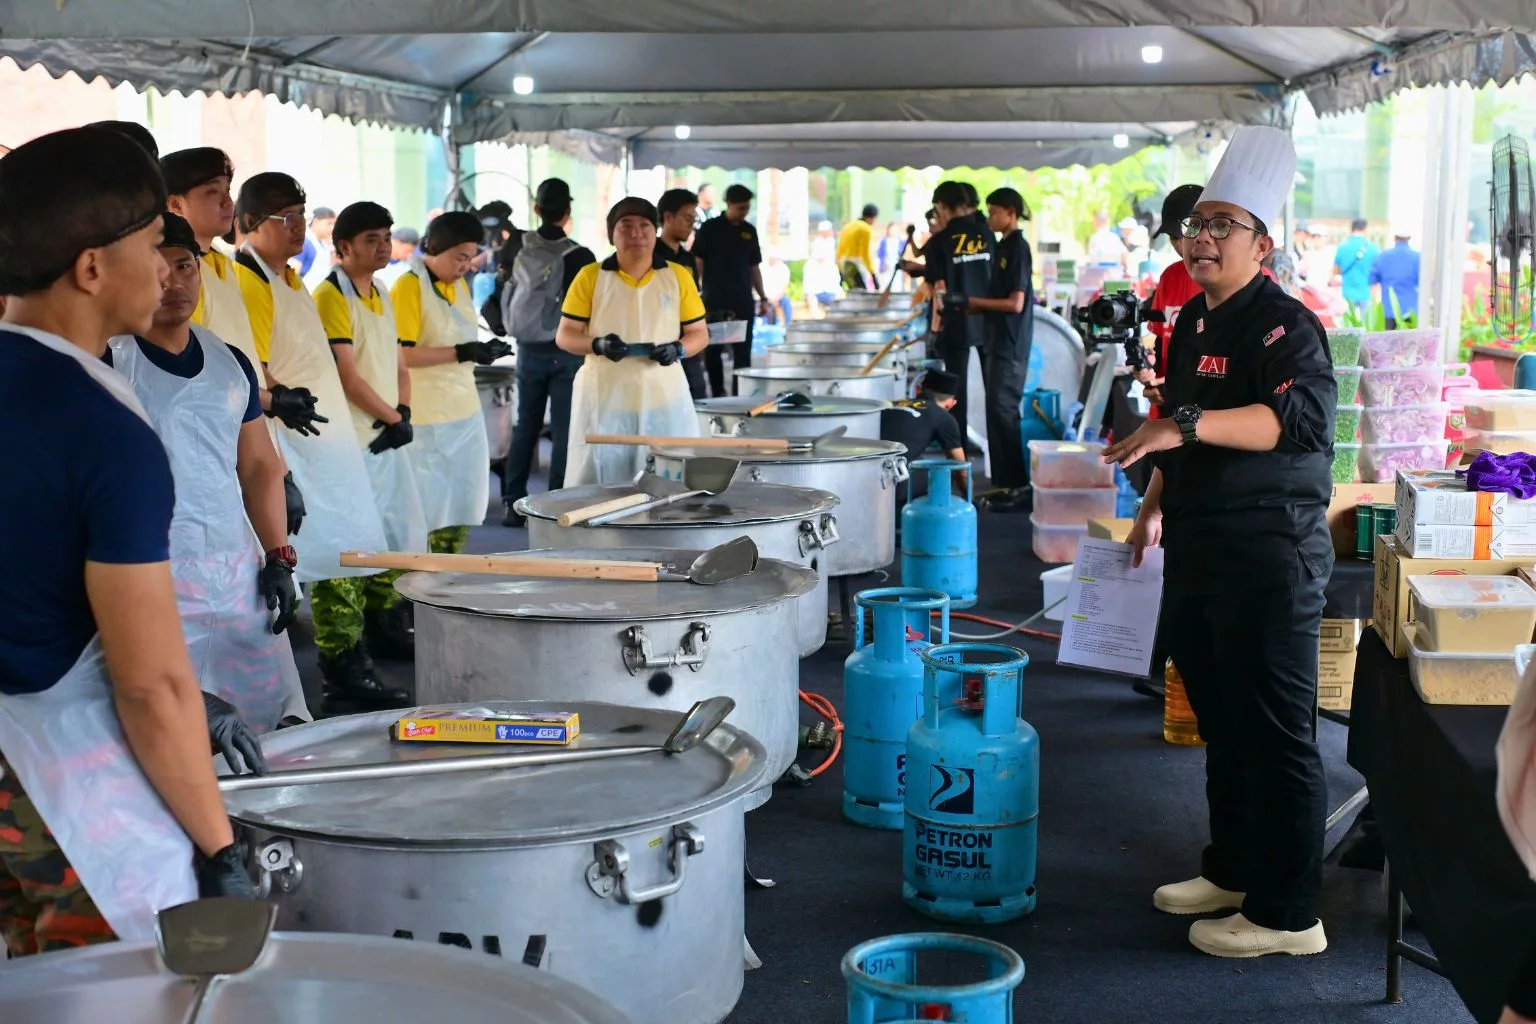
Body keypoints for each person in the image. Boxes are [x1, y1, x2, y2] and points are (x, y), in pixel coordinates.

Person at [0, 127, 258, 956]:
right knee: (123, 983)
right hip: (52, 785)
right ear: (90, 268)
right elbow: (150, 686)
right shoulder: (103, 428)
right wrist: (221, 849)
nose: (168, 270)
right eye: (153, 246)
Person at [1103, 125, 1335, 959]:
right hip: (1200, 548)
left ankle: (1289, 914)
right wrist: (1151, 505)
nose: (1202, 239)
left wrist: (1185, 425)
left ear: (1262, 245)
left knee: (1275, 733)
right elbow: (1178, 431)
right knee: (1220, 718)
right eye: (1195, 225)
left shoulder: (1286, 325)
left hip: (1270, 554)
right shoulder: (1194, 321)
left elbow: (1295, 422)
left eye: (1223, 226)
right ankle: (1234, 869)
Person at [106, 213, 309, 733]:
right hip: (151, 575)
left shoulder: (230, 362)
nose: (174, 283)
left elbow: (258, 465)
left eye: (185, 266)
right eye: (159, 269)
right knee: (163, 723)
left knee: (262, 719)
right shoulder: (109, 361)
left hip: (235, 572)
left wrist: (279, 557)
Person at [233, 174, 400, 709]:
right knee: (331, 556)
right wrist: (280, 402)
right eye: (285, 218)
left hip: (327, 444)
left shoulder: (289, 278)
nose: (298, 227)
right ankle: (341, 671)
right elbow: (253, 369)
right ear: (250, 223)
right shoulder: (250, 282)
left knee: (345, 551)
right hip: (294, 445)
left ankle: (349, 660)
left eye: (302, 216)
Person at [161, 147, 320, 534]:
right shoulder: (177, 279)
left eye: (227, 190)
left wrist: (277, 393)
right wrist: (271, 400)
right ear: (175, 204)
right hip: (212, 446)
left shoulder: (222, 263)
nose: (226, 202)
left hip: (248, 436)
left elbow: (240, 358)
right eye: (212, 192)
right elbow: (195, 373)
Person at [311, 202, 429, 675]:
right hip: (351, 438)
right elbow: (347, 376)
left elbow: (397, 361)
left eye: (386, 237)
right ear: (344, 246)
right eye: (370, 239)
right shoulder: (330, 295)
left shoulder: (381, 289)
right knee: (349, 543)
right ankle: (342, 656)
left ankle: (384, 627)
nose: (382, 247)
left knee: (390, 533)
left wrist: (403, 412)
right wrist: (392, 418)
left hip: (385, 432)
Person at [559, 197, 709, 485]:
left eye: (644, 226)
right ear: (611, 234)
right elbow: (565, 335)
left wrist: (678, 348)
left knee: (667, 481)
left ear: (656, 231)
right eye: (625, 226)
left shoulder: (678, 276)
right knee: (602, 481)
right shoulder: (591, 277)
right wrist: (598, 345)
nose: (636, 234)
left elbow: (699, 333)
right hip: (605, 398)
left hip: (663, 397)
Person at [393, 212, 512, 541]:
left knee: (459, 504)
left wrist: (481, 350)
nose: (466, 265)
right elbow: (401, 354)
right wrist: (462, 352)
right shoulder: (409, 286)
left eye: (470, 258)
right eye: (460, 257)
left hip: (462, 409)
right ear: (434, 247)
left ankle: (447, 568)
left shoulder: (457, 285)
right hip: (425, 417)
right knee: (425, 509)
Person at [499, 181, 596, 524]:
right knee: (563, 429)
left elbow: (501, 289)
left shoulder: (515, 246)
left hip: (526, 349)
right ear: (568, 211)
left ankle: (512, 503)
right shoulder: (581, 256)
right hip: (566, 351)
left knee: (525, 426)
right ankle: (554, 506)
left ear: (537, 209)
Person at [953, 187, 1032, 501]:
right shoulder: (1002, 246)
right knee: (995, 411)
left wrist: (977, 303)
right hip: (996, 340)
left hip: (1011, 343)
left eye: (994, 212)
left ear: (1011, 212)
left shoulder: (1018, 248)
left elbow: (1015, 303)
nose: (989, 218)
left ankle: (1017, 484)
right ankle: (1002, 481)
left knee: (1003, 411)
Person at [926, 181, 994, 450]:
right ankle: (996, 457)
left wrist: (935, 329)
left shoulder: (938, 242)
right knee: (995, 394)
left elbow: (939, 290)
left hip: (956, 322)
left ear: (943, 206)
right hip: (991, 320)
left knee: (956, 395)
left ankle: (959, 454)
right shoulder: (988, 235)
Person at [693, 183, 768, 396]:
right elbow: (698, 261)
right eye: (740, 208)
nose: (744, 212)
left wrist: (762, 297)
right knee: (713, 352)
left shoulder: (749, 231)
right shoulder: (710, 228)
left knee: (742, 354)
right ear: (728, 204)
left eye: (747, 208)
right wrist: (696, 292)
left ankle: (740, 395)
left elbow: (754, 267)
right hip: (715, 301)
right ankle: (718, 394)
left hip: (742, 301)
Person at [1139, 184, 1207, 419]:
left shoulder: (1245, 282)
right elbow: (1159, 341)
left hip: (1210, 420)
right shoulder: (1170, 276)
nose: (1180, 246)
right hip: (1165, 415)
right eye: (1173, 238)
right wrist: (1148, 371)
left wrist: (1178, 389)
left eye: (1184, 235)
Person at [656, 187, 708, 400]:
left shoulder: (688, 259)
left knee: (697, 399)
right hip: (659, 348)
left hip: (688, 345)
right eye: (687, 218)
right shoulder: (650, 257)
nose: (691, 224)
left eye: (693, 219)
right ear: (668, 217)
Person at [1370, 229, 1421, 327]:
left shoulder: (1383, 256)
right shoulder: (1417, 257)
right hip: (1411, 310)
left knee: (1389, 336)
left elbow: (1373, 280)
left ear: (1394, 239)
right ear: (1409, 239)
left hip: (1388, 310)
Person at [1331, 218, 1377, 316]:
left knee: (1348, 323)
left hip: (1347, 293)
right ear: (1365, 229)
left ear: (1351, 229)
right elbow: (1377, 272)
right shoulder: (1373, 248)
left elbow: (1335, 270)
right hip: (1366, 292)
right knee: (1367, 323)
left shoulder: (1342, 247)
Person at [837, 204, 879, 290]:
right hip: (856, 266)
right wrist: (873, 274)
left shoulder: (848, 226)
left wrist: (840, 271)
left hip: (844, 265)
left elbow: (839, 250)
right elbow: (865, 254)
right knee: (862, 295)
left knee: (853, 294)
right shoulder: (866, 229)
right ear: (873, 217)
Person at [299, 206, 337, 290]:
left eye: (334, 224)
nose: (332, 228)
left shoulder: (325, 245)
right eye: (329, 223)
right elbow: (292, 273)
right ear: (316, 221)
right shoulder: (304, 242)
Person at [762, 247, 793, 324]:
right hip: (766, 297)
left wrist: (777, 299)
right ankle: (766, 325)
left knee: (786, 302)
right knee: (763, 305)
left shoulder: (783, 268)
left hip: (780, 297)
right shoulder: (762, 267)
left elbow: (785, 287)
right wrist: (768, 299)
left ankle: (789, 324)